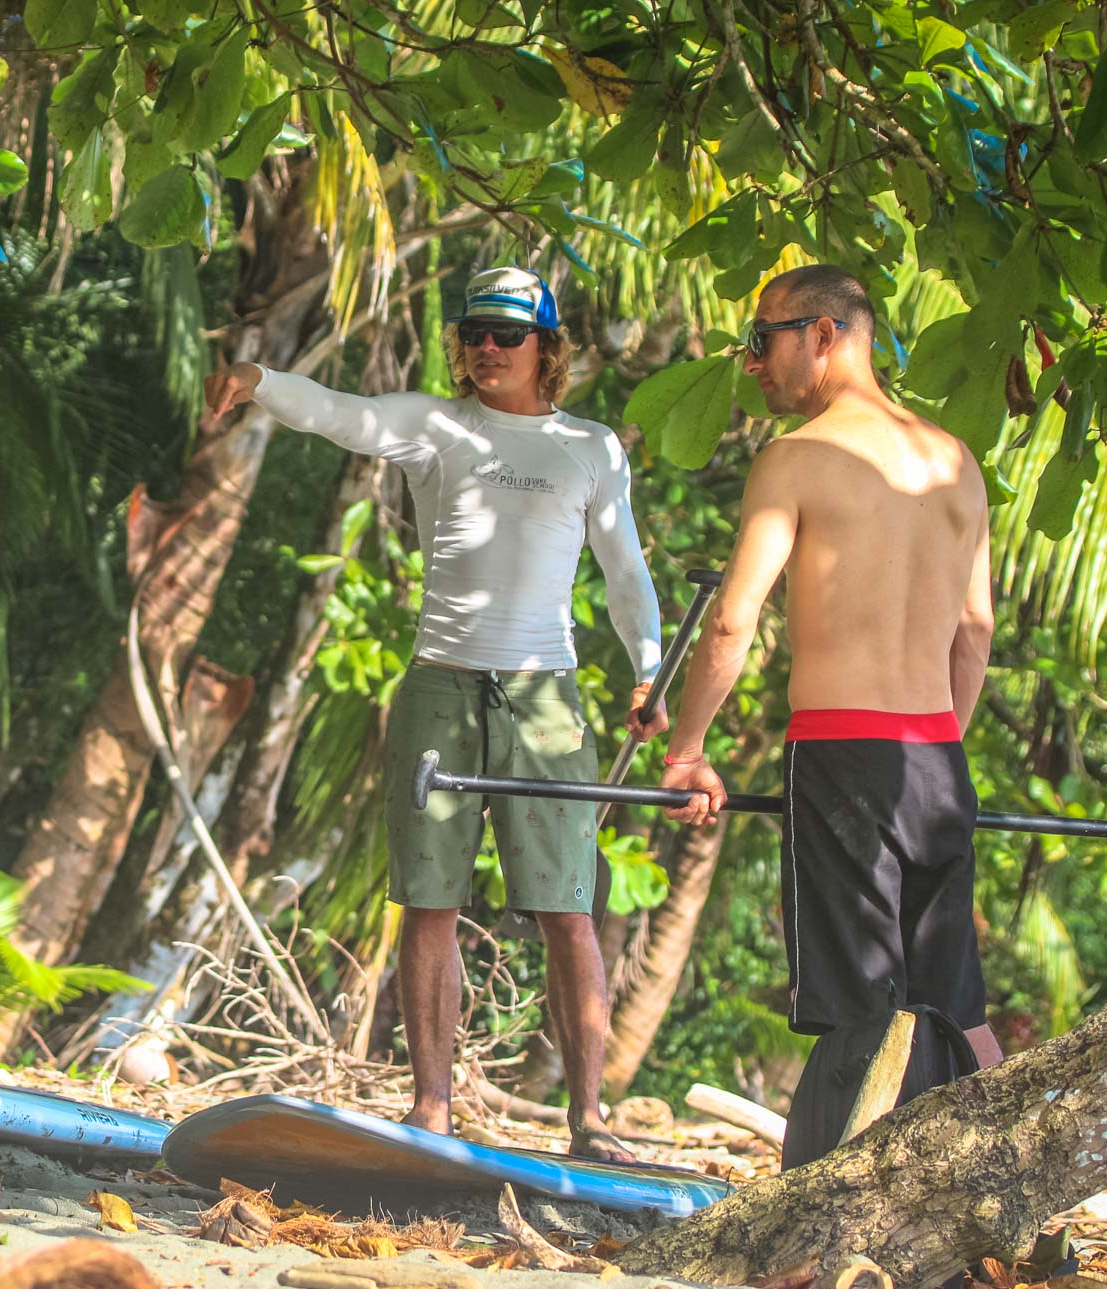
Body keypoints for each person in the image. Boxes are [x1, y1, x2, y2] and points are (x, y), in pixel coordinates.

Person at [205, 267, 666, 1160]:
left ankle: (590, 1119)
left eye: (506, 334)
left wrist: (649, 669)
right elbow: (343, 412)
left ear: (547, 348)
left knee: (568, 908)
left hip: (545, 697)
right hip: (439, 686)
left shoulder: (589, 446)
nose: (485, 348)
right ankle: (432, 1107)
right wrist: (258, 381)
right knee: (430, 900)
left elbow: (627, 576)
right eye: (472, 334)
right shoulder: (437, 426)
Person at [658, 265, 1004, 1070]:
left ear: (823, 335)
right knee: (954, 1007)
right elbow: (975, 629)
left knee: (859, 1012)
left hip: (841, 755)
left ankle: (839, 1197)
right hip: (938, 760)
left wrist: (686, 752)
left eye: (762, 338)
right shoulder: (957, 461)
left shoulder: (797, 457)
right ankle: (1011, 1174)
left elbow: (731, 619)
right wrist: (937, 750)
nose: (750, 363)